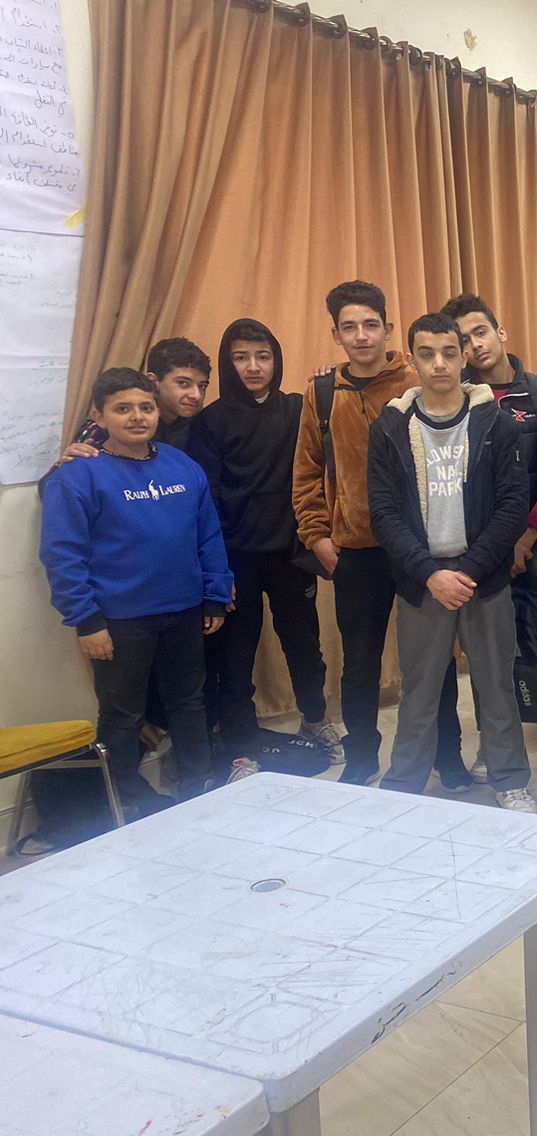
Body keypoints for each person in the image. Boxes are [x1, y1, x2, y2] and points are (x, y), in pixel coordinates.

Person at [292, 280, 464, 787]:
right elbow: (306, 472)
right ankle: (362, 756)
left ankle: (448, 755)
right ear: (336, 334)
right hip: (355, 551)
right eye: (350, 327)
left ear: (389, 329)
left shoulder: (415, 381)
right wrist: (318, 537)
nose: (362, 335)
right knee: (360, 664)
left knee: (434, 662)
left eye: (371, 325)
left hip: (418, 549)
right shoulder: (322, 393)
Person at [40, 368, 232, 811]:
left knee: (190, 703)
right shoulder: (78, 476)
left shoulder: (182, 465)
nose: (137, 417)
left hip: (185, 610)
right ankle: (125, 801)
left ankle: (198, 787)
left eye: (146, 407)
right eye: (122, 408)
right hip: (118, 621)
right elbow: (63, 553)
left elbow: (208, 535)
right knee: (123, 715)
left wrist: (215, 595)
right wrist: (86, 620)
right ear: (99, 416)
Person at [367, 313, 535, 812]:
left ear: (464, 357)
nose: (438, 364)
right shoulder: (390, 427)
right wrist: (430, 573)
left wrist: (471, 568)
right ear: (412, 360)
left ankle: (509, 779)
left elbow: (513, 505)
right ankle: (405, 783)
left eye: (448, 353)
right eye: (426, 354)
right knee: (419, 691)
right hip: (423, 579)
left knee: (496, 685)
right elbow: (383, 513)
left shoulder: (495, 422)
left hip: (483, 577)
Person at [439, 292, 537, 780]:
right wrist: (493, 544)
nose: (474, 345)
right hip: (480, 548)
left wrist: (528, 535)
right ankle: (495, 740)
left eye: (481, 332)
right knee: (487, 647)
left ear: (500, 333)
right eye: (463, 340)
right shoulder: (455, 399)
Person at [189, 318, 339, 762]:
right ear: (227, 363)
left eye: (263, 356)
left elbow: (331, 444)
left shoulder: (298, 408)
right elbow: (207, 500)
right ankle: (240, 744)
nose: (253, 367)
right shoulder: (210, 421)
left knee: (304, 645)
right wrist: (217, 570)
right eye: (241, 358)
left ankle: (316, 718)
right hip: (236, 560)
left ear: (276, 360)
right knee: (235, 656)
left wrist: (328, 384)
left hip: (291, 553)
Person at [62, 338, 211, 459]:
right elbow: (64, 477)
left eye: (202, 386)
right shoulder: (107, 424)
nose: (196, 395)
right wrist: (71, 460)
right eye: (183, 383)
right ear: (153, 381)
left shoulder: (202, 423)